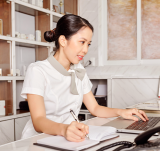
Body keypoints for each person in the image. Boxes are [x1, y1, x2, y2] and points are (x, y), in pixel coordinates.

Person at [21, 14, 148, 142]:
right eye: (82, 42)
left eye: (88, 44)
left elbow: (94, 108)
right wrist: (64, 129)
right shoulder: (38, 70)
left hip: (69, 139)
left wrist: (121, 112)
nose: (85, 50)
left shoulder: (79, 69)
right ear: (63, 40)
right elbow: (38, 121)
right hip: (37, 140)